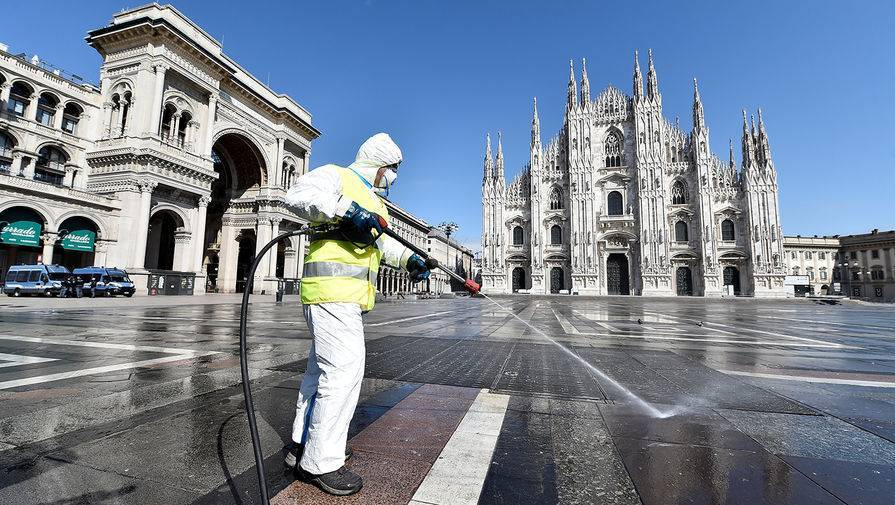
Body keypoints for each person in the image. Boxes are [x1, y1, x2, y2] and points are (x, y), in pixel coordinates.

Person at [282, 133, 430, 496]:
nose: (393, 177)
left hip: (343, 296)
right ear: (378, 165)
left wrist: (409, 259)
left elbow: (380, 244)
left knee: (320, 372)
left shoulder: (372, 199)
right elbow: (297, 196)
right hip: (331, 293)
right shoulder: (336, 176)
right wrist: (346, 209)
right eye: (392, 169)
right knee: (344, 372)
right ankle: (322, 462)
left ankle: (303, 442)